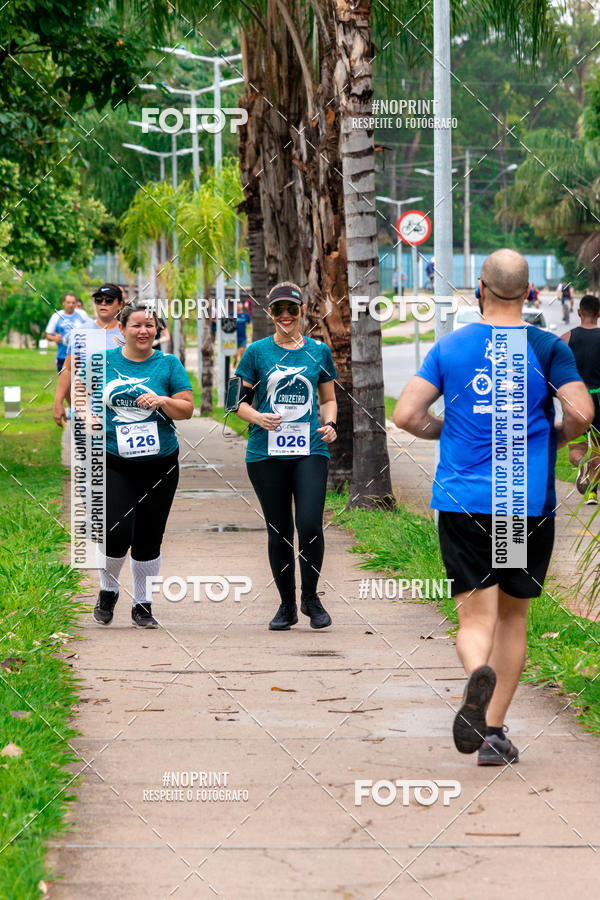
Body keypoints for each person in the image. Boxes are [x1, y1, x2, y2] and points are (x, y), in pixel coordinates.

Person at [394, 248, 592, 766]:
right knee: (513, 615)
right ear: (529, 293)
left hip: (464, 502)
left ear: (479, 287)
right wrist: (551, 435)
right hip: (522, 502)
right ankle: (494, 733)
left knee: (474, 615)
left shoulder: (451, 346)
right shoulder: (548, 347)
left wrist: (446, 430)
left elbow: (407, 414)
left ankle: (474, 679)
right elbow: (581, 412)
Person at [234, 281, 338, 631]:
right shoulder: (256, 352)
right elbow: (238, 403)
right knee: (278, 531)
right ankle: (287, 604)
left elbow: (327, 399)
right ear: (271, 313)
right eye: (279, 310)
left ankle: (311, 597)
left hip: (310, 448)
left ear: (302, 312)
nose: (286, 316)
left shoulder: (318, 352)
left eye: (292, 309)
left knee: (309, 523)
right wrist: (259, 418)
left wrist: (331, 423)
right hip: (266, 452)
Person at [91, 301, 194, 628]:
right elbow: (81, 393)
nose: (144, 330)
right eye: (136, 325)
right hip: (114, 459)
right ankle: (108, 590)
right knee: (117, 530)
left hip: (160, 462)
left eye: (150, 325)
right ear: (121, 330)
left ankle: (143, 604)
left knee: (150, 534)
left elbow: (187, 409)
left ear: (157, 330)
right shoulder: (102, 362)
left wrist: (163, 401)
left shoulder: (168, 364)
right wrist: (87, 416)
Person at [53, 284, 124, 427]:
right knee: (91, 448)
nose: (103, 303)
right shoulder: (82, 331)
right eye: (99, 299)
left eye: (109, 300)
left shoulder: (127, 332)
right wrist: (58, 402)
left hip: (122, 412)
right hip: (89, 412)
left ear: (120, 304)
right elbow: (68, 369)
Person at [562, 294, 600, 504]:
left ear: (578, 312)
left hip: (576, 400)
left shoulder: (566, 338)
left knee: (576, 451)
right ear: (599, 313)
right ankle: (592, 493)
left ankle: (581, 464)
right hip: (599, 400)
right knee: (598, 447)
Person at [45, 292, 87, 373]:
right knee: (64, 384)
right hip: (62, 356)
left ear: (76, 304)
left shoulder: (82, 314)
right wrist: (55, 338)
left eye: (73, 303)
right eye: (68, 302)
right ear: (63, 303)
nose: (71, 305)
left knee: (78, 384)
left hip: (80, 357)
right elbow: (48, 335)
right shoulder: (56, 316)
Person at [234, 300, 251, 365]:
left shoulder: (246, 315)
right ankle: (235, 360)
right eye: (237, 304)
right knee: (235, 354)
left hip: (243, 337)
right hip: (234, 338)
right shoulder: (232, 315)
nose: (238, 305)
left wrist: (249, 333)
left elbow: (250, 325)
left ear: (241, 305)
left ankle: (241, 366)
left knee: (242, 353)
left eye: (239, 304)